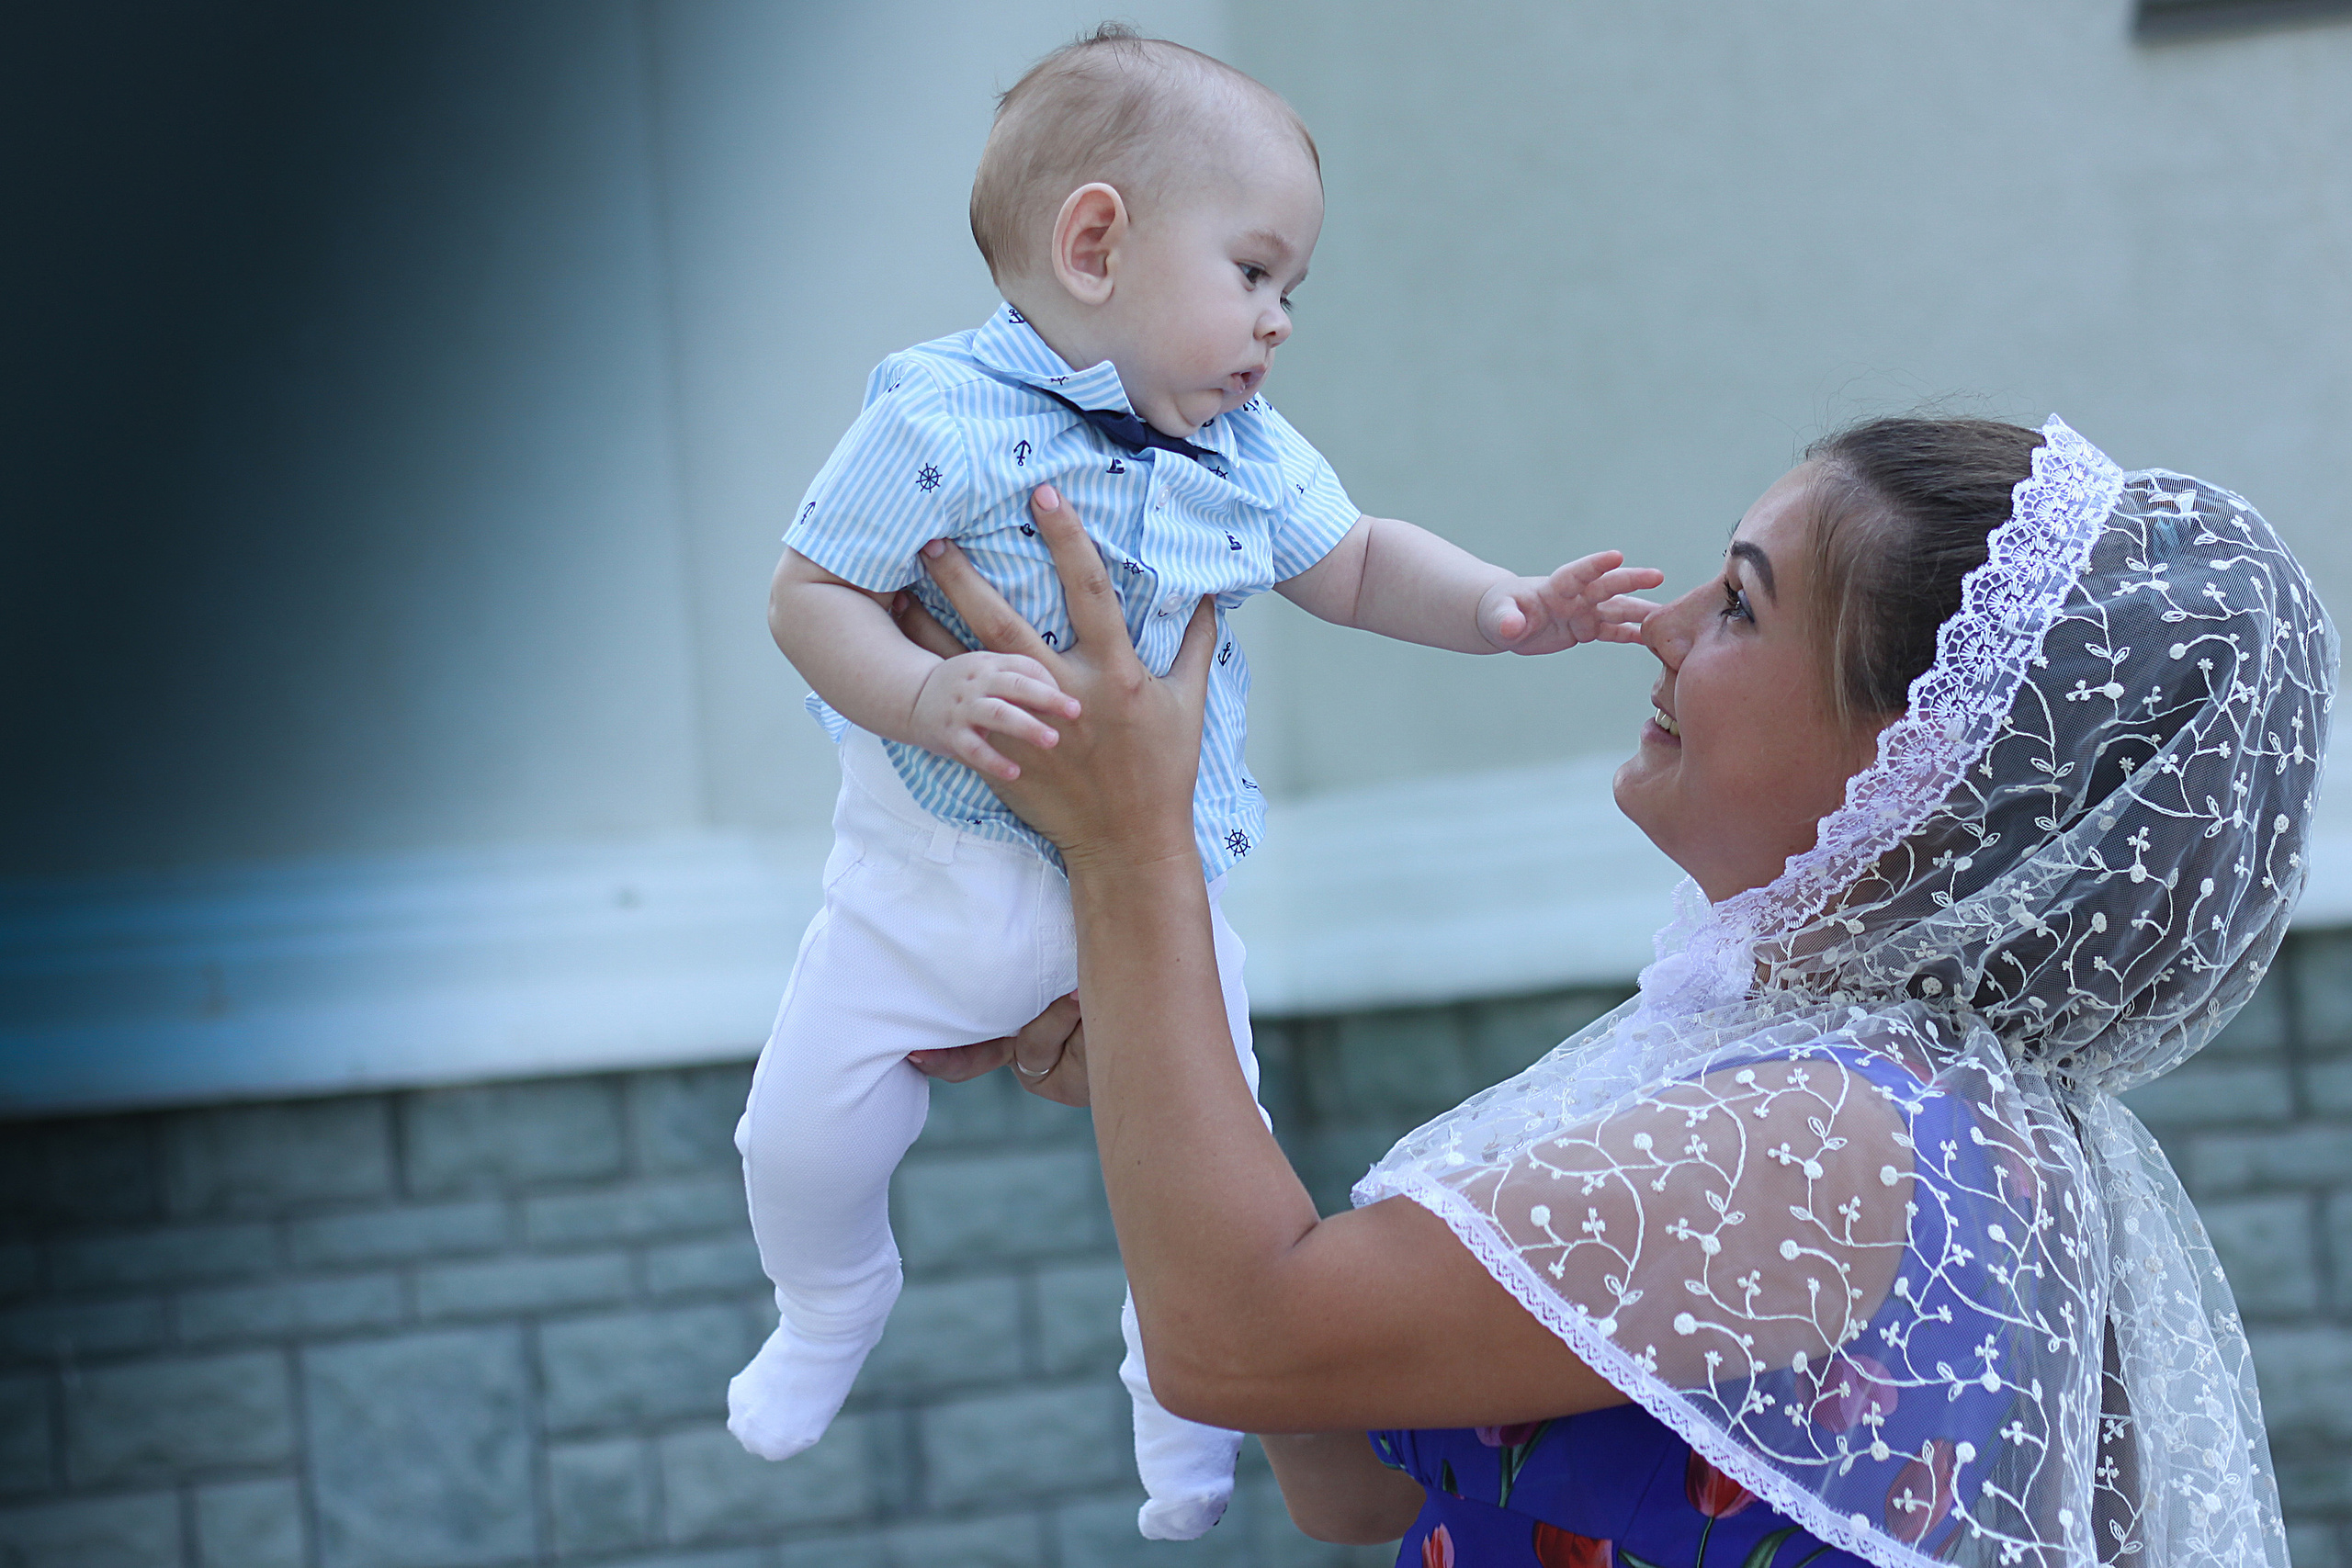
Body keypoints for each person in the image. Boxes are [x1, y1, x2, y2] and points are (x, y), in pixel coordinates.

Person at [906, 415, 2335, 1568]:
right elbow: (1348, 1470)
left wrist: (1131, 845)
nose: (1666, 623)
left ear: (1922, 762)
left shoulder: (1839, 1136)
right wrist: (1156, 1047)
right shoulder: (1880, 1105)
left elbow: (1237, 1344)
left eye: (1742, 605)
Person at [730, 24, 1661, 1540]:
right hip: (925, 878)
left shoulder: (1245, 448)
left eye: (1291, 289)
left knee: (1207, 1180)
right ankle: (831, 1299)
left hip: (1161, 897)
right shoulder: (933, 415)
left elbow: (1358, 562)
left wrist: (1502, 607)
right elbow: (809, 593)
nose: (1278, 322)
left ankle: (1185, 1426)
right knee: (798, 1133)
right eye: (1254, 272)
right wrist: (923, 690)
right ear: (1095, 242)